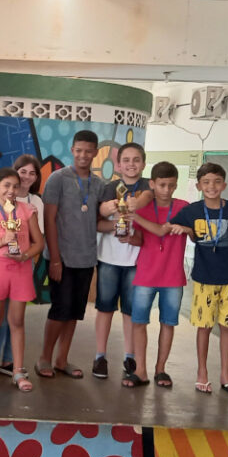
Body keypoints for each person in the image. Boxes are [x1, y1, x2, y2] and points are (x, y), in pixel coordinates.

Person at [167, 162, 228, 396]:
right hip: (204, 279)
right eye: (206, 182)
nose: (212, 186)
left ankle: (225, 374)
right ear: (198, 185)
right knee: (203, 327)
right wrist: (189, 231)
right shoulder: (192, 211)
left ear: (224, 184)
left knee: (227, 327)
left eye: (217, 181)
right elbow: (172, 225)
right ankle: (202, 372)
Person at [36, 130, 105, 380]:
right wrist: (55, 258)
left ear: (96, 153)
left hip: (86, 259)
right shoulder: (58, 178)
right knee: (60, 309)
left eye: (88, 151)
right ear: (72, 150)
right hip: (60, 258)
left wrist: (126, 226)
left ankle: (62, 359)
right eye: (79, 150)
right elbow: (49, 219)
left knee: (75, 311)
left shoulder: (99, 185)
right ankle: (44, 357)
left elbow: (98, 220)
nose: (83, 155)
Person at [0, 168, 44, 392]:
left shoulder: (27, 210)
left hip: (21, 270)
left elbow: (39, 243)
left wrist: (25, 255)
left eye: (15, 186)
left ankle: (18, 370)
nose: (11, 190)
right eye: (6, 186)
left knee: (17, 321)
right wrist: (3, 240)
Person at [121, 162, 189, 388]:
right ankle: (140, 370)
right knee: (138, 321)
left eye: (171, 186)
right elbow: (141, 239)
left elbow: (178, 231)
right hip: (146, 275)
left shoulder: (184, 208)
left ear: (176, 185)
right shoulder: (144, 207)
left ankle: (161, 369)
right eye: (162, 185)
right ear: (152, 184)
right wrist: (129, 238)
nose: (166, 190)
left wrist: (136, 217)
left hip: (173, 276)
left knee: (167, 323)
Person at [93, 142, 152, 379]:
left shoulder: (148, 188)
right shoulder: (109, 189)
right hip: (108, 258)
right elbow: (97, 222)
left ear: (143, 163)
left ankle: (130, 356)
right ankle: (99, 356)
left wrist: (139, 204)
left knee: (130, 311)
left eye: (136, 160)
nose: (130, 164)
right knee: (105, 308)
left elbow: (147, 199)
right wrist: (117, 224)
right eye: (126, 160)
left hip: (136, 261)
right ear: (118, 165)